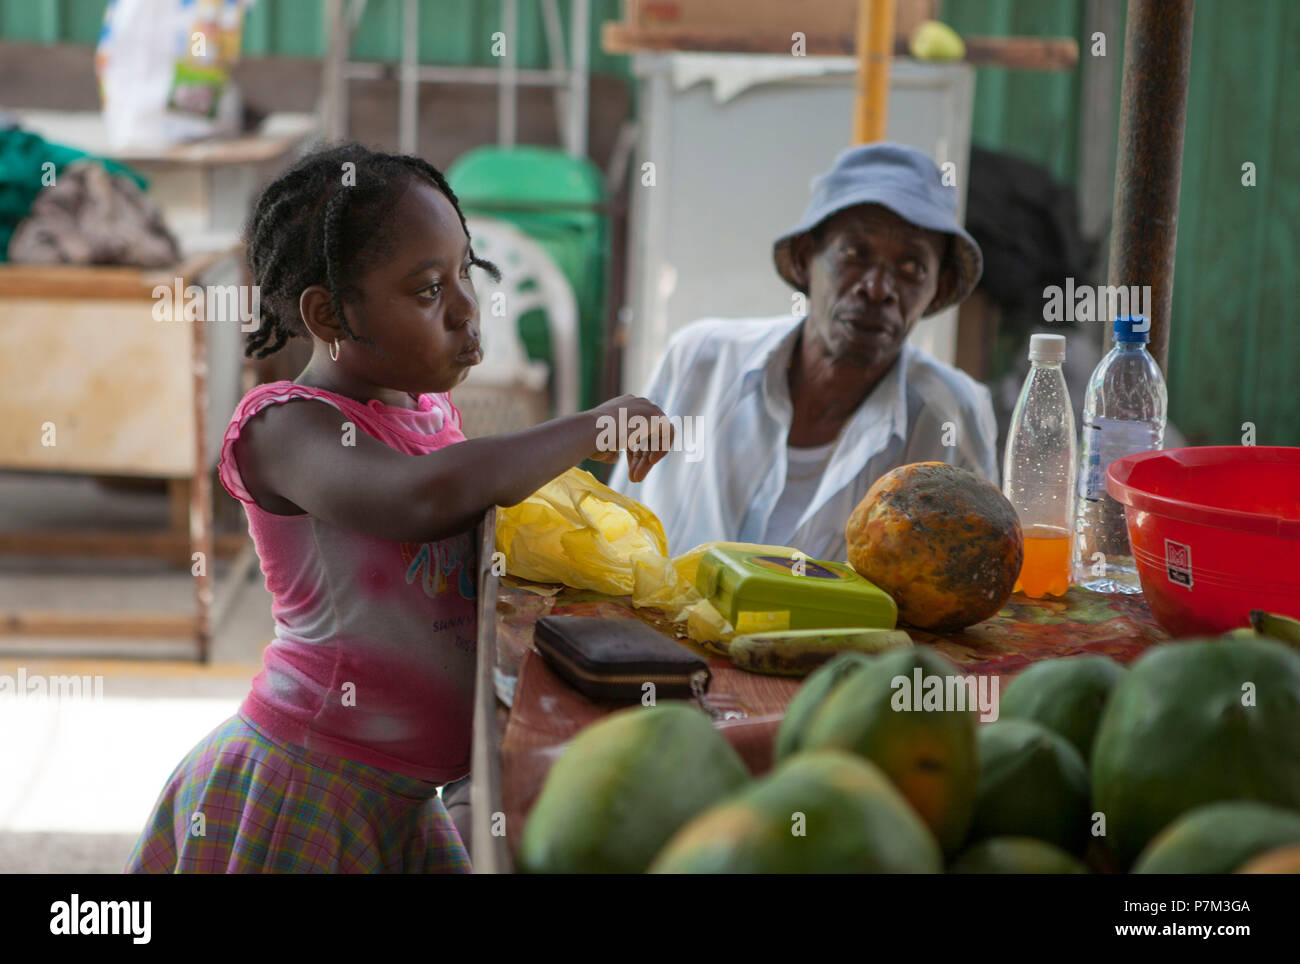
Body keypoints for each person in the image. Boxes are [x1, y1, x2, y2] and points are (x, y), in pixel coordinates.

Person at [125, 143, 671, 873]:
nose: (466, 307)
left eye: (466, 272)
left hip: (405, 801)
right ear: (331, 313)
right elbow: (424, 497)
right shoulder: (284, 428)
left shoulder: (429, 410)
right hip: (308, 788)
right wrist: (593, 425)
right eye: (426, 291)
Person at [609, 143, 998, 562]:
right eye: (854, 253)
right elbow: (611, 533)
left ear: (936, 289)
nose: (878, 289)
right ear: (804, 258)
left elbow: (970, 583)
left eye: (911, 269)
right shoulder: (699, 359)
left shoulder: (951, 416)